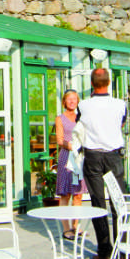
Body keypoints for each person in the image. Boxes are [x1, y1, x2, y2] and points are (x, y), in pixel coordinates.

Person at [76, 67, 128, 259]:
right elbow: (121, 124)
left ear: (91, 84)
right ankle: (122, 249)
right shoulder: (120, 104)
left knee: (98, 203)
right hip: (113, 155)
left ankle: (104, 249)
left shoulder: (84, 105)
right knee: (118, 202)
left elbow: (81, 125)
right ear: (109, 83)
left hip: (93, 156)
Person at [53, 89, 84, 238]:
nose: (72, 102)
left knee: (78, 194)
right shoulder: (60, 118)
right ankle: (66, 229)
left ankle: (76, 227)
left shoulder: (81, 117)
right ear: (64, 102)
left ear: (78, 101)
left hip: (79, 159)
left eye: (74, 99)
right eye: (69, 99)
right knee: (65, 194)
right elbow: (59, 140)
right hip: (67, 158)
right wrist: (72, 146)